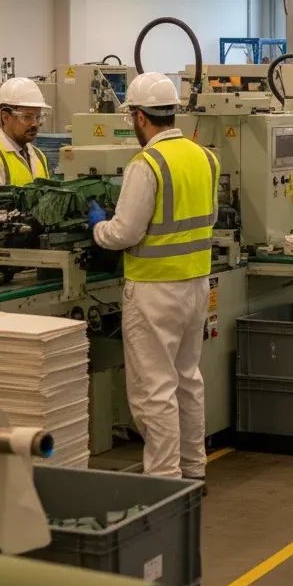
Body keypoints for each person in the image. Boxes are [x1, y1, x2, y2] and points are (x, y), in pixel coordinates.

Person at [89, 72, 219, 479]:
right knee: (187, 381)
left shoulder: (147, 164)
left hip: (153, 289)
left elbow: (124, 232)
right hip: (196, 284)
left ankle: (163, 480)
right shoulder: (206, 157)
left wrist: (97, 227)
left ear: (140, 116)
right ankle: (194, 469)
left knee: (153, 390)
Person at [0, 77, 51, 226]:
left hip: (28, 244)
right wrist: (33, 218)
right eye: (27, 117)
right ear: (5, 117)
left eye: (38, 117)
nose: (35, 124)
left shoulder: (39, 156)